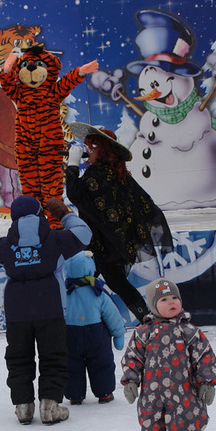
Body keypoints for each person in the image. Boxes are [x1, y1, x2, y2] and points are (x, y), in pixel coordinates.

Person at [0, 194, 92, 425]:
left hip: (17, 312)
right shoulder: (56, 239)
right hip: (51, 308)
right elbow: (84, 234)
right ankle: (50, 405)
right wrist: (65, 215)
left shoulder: (6, 245)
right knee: (53, 356)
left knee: (18, 358)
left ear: (14, 220)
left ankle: (23, 406)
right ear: (41, 215)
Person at [65, 123, 173, 321]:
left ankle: (143, 320)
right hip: (115, 243)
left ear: (100, 149)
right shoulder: (118, 173)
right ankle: (87, 318)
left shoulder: (96, 174)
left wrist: (72, 165)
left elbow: (75, 194)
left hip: (102, 246)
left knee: (94, 281)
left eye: (91, 146)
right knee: (100, 281)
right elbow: (143, 202)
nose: (87, 149)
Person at [121, 278, 216, 431]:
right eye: (164, 300)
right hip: (152, 392)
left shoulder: (189, 331)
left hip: (183, 390)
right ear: (153, 306)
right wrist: (130, 381)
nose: (172, 302)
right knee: (151, 420)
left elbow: (205, 356)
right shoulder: (143, 333)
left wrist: (207, 381)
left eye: (175, 297)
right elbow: (132, 357)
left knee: (185, 420)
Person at [63, 251, 125, 405]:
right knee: (102, 363)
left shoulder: (64, 295)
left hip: (70, 336)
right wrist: (118, 334)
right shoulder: (98, 293)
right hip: (96, 336)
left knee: (71, 365)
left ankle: (74, 394)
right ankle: (104, 392)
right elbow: (112, 315)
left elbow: (55, 318)